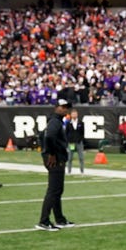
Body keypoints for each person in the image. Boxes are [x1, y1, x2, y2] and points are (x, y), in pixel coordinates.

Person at [37, 99, 76, 231]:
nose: (65, 109)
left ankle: (59, 219)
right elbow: (49, 137)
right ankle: (44, 220)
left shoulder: (56, 121)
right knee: (54, 190)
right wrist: (51, 153)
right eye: (62, 107)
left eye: (67, 107)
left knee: (57, 190)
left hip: (57, 157)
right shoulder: (55, 121)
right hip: (55, 159)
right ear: (56, 108)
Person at [66, 108, 85, 174]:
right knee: (70, 157)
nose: (74, 115)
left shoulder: (80, 123)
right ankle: (69, 170)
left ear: (77, 114)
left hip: (79, 142)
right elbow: (66, 133)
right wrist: (69, 140)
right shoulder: (68, 123)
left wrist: (80, 139)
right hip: (71, 143)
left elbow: (83, 132)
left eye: (75, 114)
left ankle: (82, 171)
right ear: (71, 115)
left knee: (81, 157)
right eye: (73, 114)